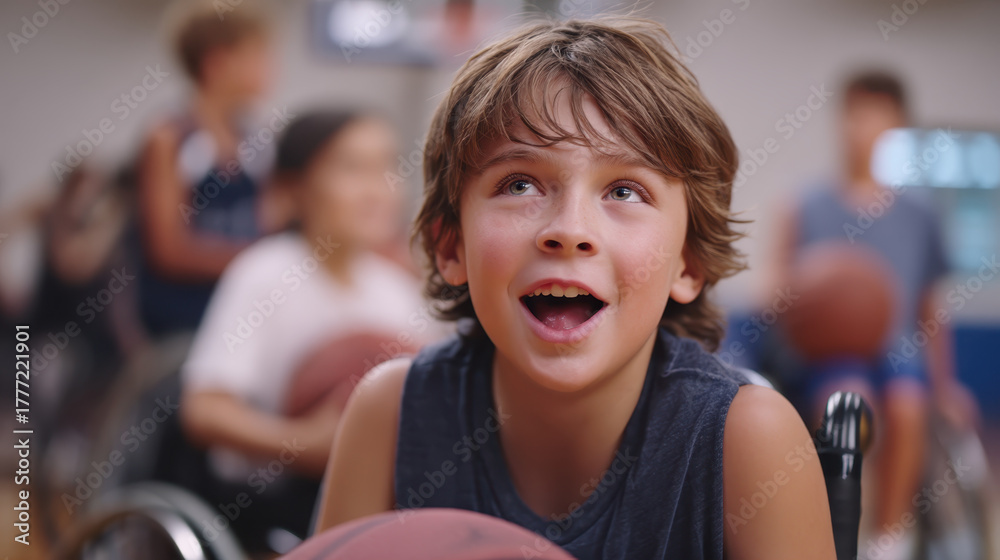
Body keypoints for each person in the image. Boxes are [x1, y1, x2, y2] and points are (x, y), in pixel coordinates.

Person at [315, 17, 837, 560]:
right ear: (451, 248)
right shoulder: (392, 412)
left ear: (689, 260)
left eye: (625, 190)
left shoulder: (751, 440)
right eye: (519, 184)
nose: (569, 230)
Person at [180, 111, 440, 548]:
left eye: (387, 166)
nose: (377, 187)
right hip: (265, 503)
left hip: (376, 502)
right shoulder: (264, 272)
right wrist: (305, 444)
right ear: (292, 189)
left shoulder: (398, 289)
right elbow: (204, 411)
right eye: (352, 168)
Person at [772, 71, 979, 560]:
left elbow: (930, 308)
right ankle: (827, 536)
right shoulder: (804, 206)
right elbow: (775, 290)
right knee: (847, 405)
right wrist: (804, 290)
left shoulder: (920, 214)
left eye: (876, 115)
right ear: (840, 120)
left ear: (897, 125)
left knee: (909, 403)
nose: (861, 127)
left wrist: (944, 386)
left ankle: (889, 542)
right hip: (832, 352)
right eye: (854, 113)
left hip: (898, 350)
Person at [134, 1, 275, 337]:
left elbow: (267, 221)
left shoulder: (254, 140)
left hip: (237, 314)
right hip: (181, 321)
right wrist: (259, 262)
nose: (269, 66)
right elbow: (169, 250)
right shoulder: (169, 137)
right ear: (217, 63)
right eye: (257, 55)